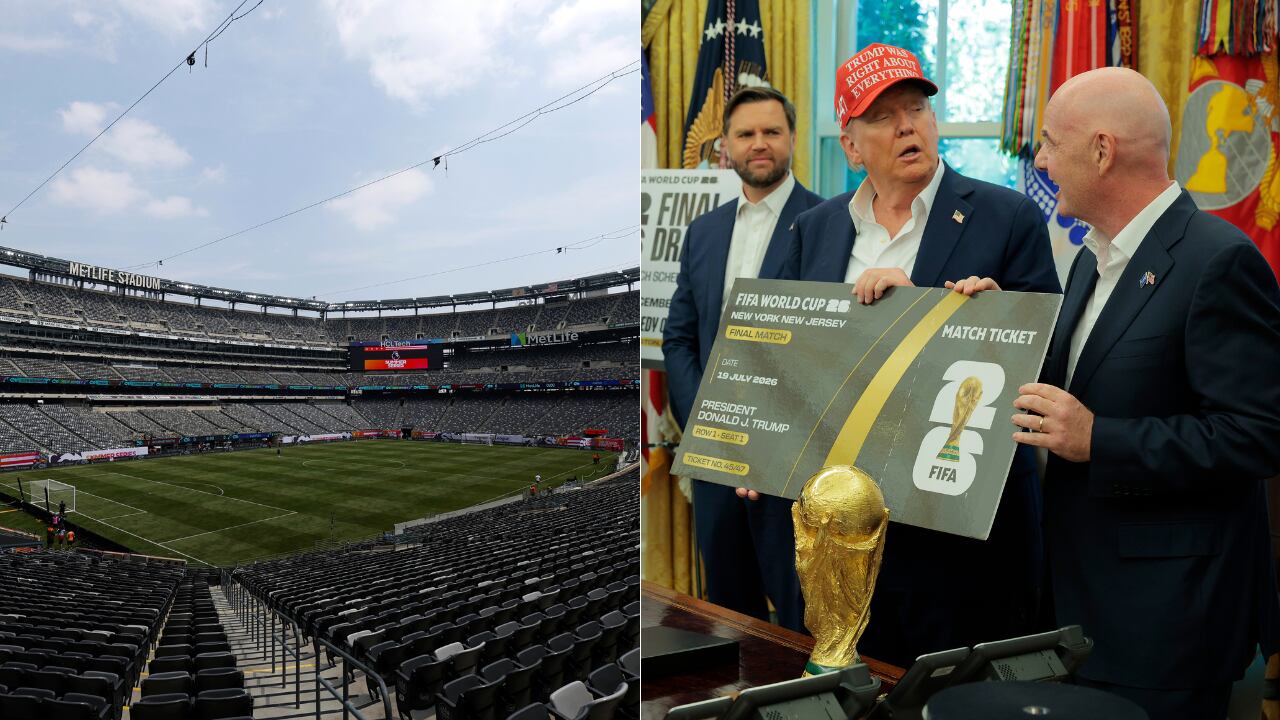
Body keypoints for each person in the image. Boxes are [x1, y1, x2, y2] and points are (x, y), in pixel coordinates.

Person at [765, 42, 1061, 666]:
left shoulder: (1007, 218)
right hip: (842, 538)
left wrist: (969, 313)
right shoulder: (811, 231)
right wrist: (759, 452)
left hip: (960, 549)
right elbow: (781, 364)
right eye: (883, 115)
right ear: (850, 145)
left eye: (917, 108)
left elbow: (1050, 367)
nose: (907, 125)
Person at [1001, 66, 1280, 719]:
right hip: (1076, 611)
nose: (1039, 159)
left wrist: (1100, 439)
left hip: (1166, 628)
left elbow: (1259, 435)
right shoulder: (1087, 261)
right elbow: (1071, 385)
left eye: (1049, 141)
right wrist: (988, 324)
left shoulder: (1218, 259)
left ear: (1101, 151)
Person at [663, 85, 824, 632]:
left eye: (771, 132)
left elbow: (829, 350)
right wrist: (706, 426)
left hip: (793, 464)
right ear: (726, 146)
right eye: (746, 134)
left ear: (793, 140)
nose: (760, 144)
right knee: (728, 612)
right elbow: (679, 339)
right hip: (715, 459)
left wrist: (773, 441)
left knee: (801, 615)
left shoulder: (832, 222)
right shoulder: (703, 232)